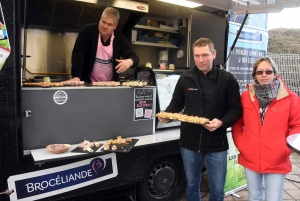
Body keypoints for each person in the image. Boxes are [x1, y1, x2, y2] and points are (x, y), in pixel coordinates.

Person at [158, 38, 242, 201]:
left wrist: (222, 122)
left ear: (214, 54)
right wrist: (167, 115)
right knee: (191, 185)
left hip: (216, 143)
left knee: (217, 190)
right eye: (197, 56)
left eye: (205, 55)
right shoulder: (185, 78)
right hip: (189, 142)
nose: (201, 60)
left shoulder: (227, 79)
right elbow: (176, 102)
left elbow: (236, 109)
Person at [231, 57, 300, 201]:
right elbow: (237, 123)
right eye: (260, 72)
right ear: (254, 75)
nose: (264, 75)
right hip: (250, 155)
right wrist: (241, 144)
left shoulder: (291, 98)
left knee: (274, 199)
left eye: (268, 71)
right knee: (254, 197)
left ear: (275, 74)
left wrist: (285, 149)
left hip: (277, 158)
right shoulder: (245, 96)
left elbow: (297, 126)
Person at [68, 7, 139, 83]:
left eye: (109, 24)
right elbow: (78, 54)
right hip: (88, 84)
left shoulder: (119, 38)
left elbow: (135, 58)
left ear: (115, 26)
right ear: (100, 20)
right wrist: (76, 76)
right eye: (103, 22)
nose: (105, 26)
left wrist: (129, 61)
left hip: (110, 85)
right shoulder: (87, 31)